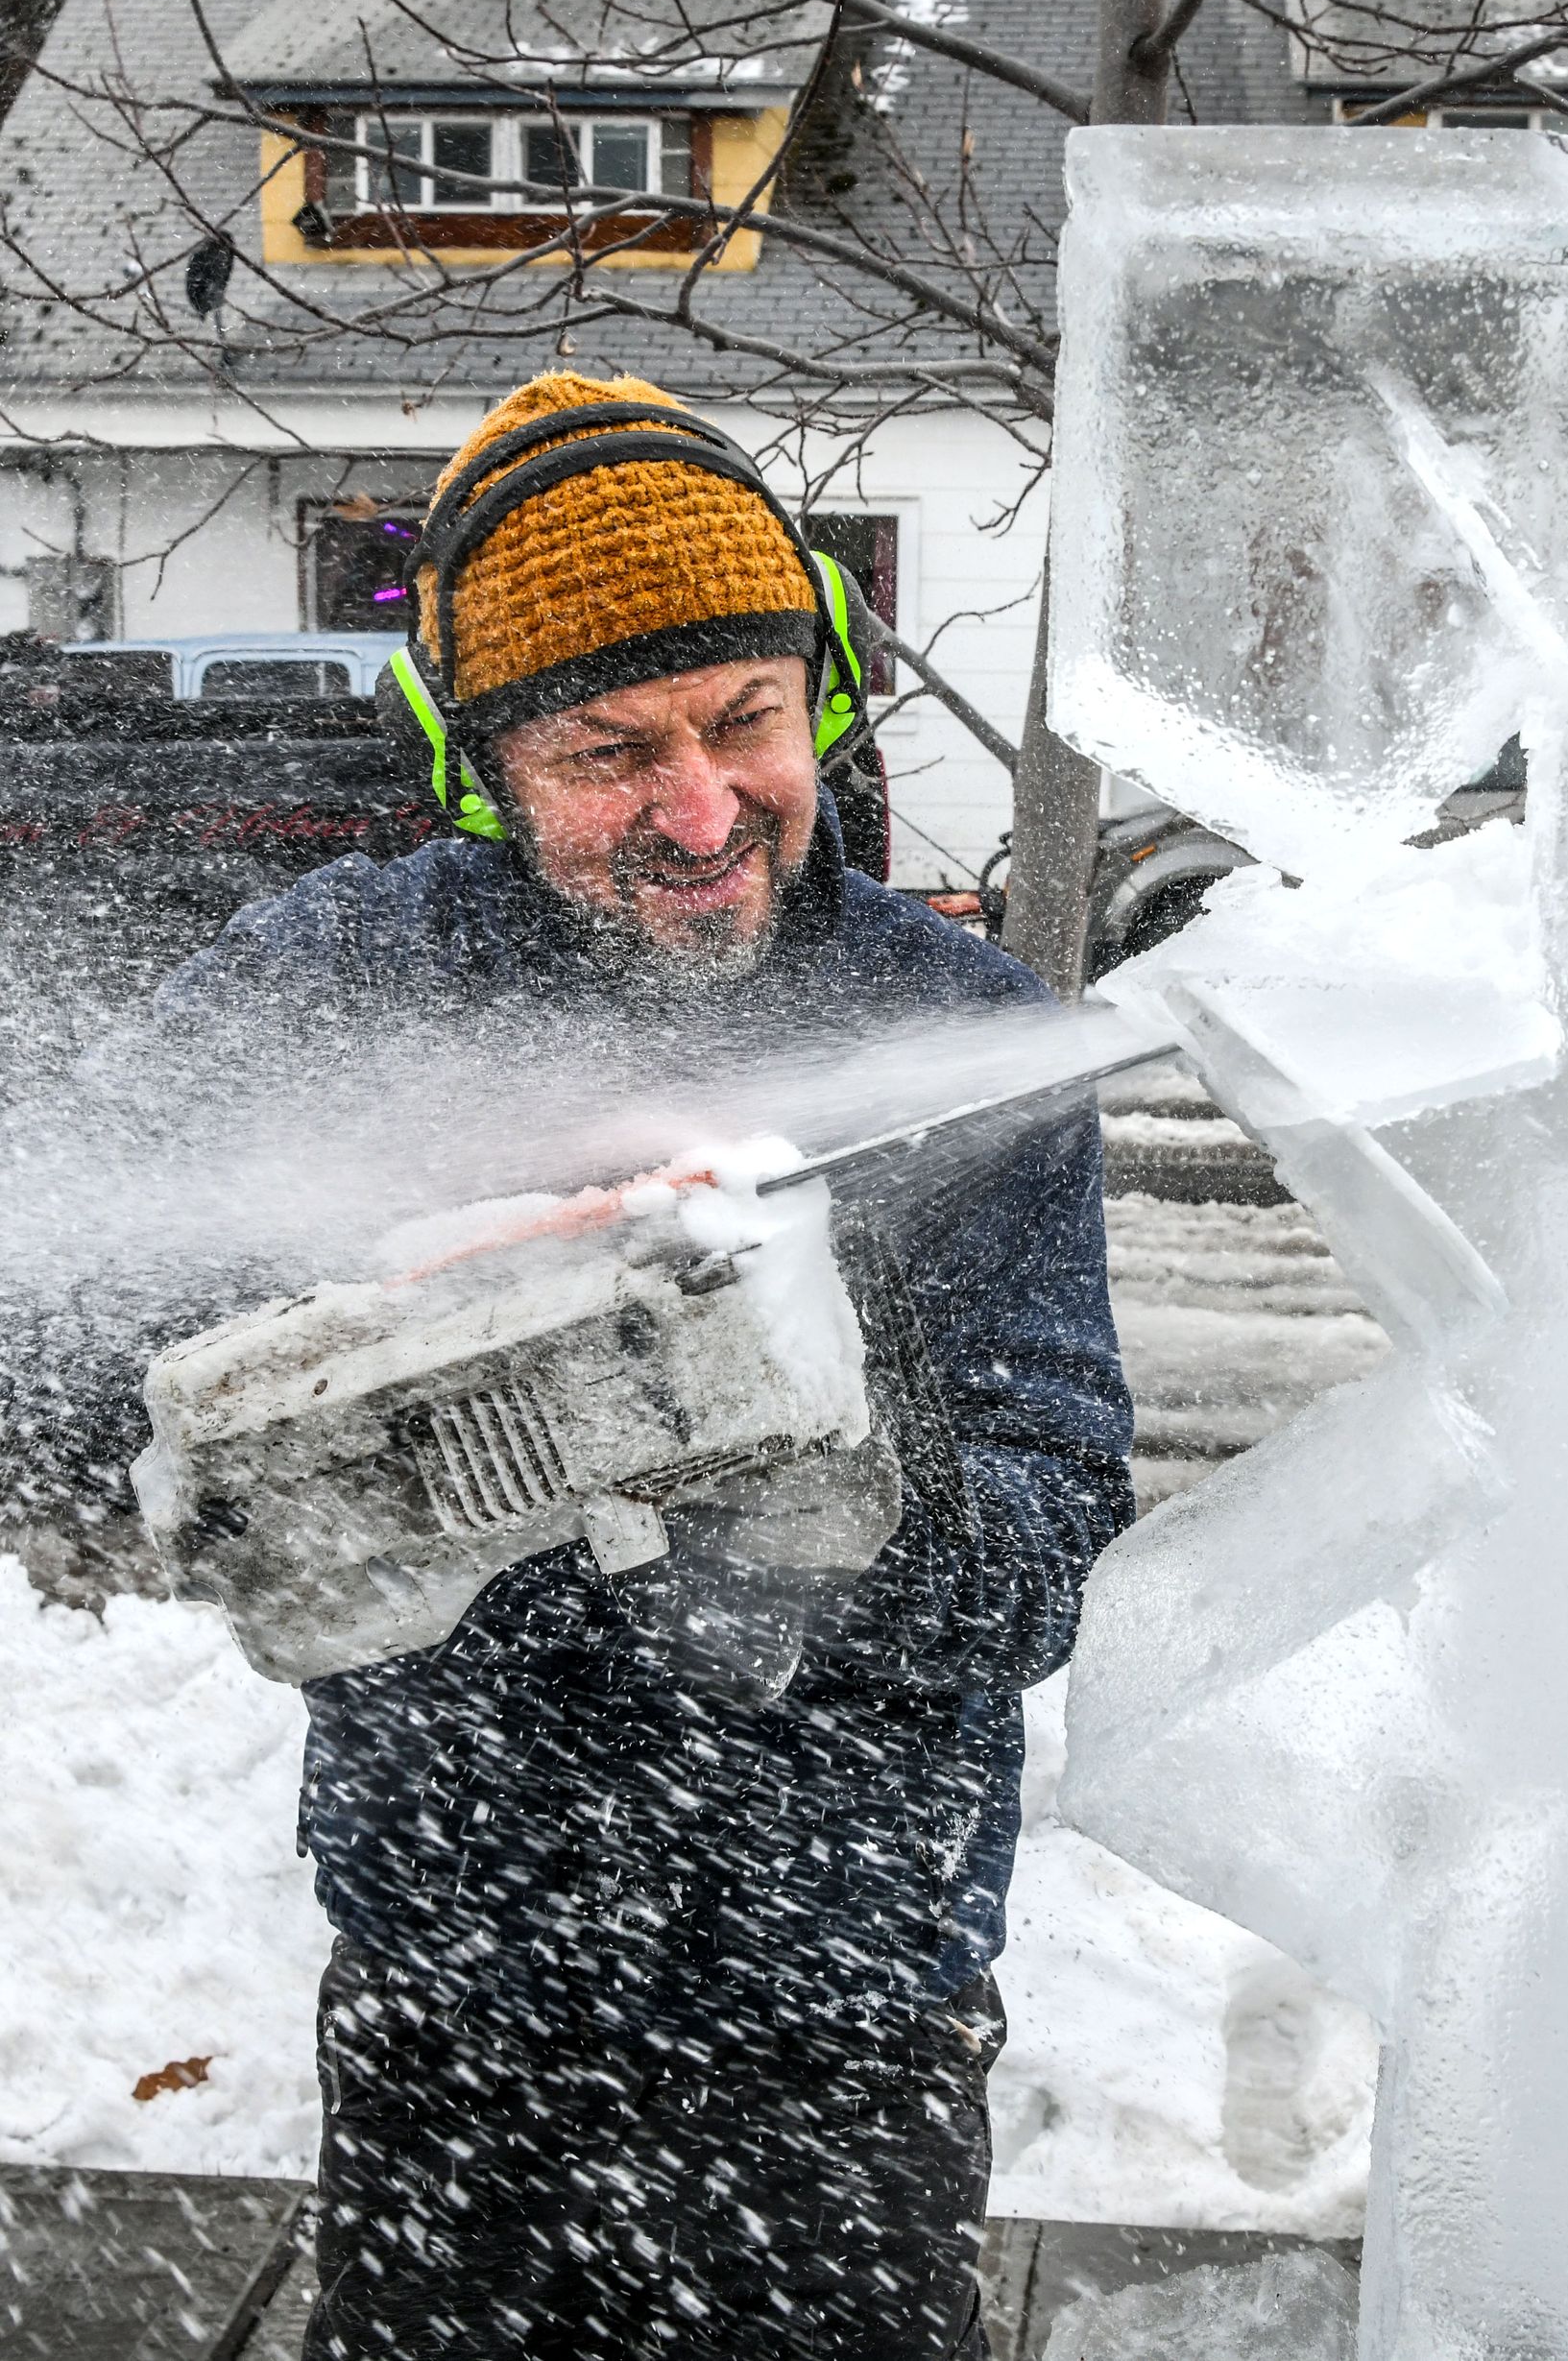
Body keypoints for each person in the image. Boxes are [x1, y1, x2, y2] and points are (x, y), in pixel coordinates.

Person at [148, 373, 1136, 2357]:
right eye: (611, 749)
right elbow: (66, 1335)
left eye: (746, 720)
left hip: (839, 2002)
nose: (701, 808)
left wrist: (817, 1484)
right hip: (460, 1984)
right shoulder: (331, 988)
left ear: (824, 693)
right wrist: (369, 1320)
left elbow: (1046, 1545)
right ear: (478, 760)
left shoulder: (969, 1031)